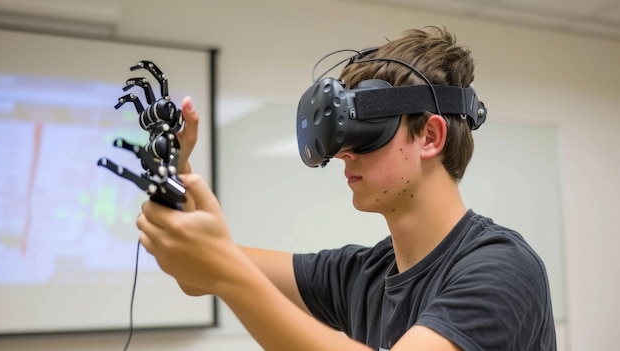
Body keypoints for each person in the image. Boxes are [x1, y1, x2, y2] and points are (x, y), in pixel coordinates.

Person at [136, 26, 557, 351]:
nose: (343, 154)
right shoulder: (361, 276)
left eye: (365, 132)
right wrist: (175, 175)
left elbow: (221, 269)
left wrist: (226, 271)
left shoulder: (502, 269)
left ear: (430, 137)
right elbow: (199, 274)